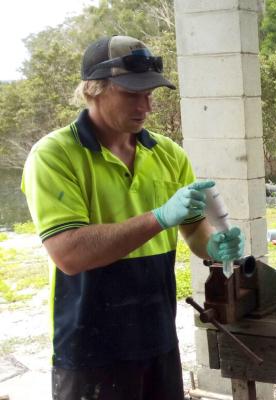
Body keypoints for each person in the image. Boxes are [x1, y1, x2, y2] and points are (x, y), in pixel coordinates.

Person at [21, 36, 244, 400]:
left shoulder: (168, 154)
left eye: (149, 94)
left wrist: (214, 247)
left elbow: (194, 230)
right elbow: (69, 254)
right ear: (92, 90)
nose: (146, 106)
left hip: (158, 338)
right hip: (90, 350)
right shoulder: (54, 155)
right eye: (131, 94)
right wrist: (159, 217)